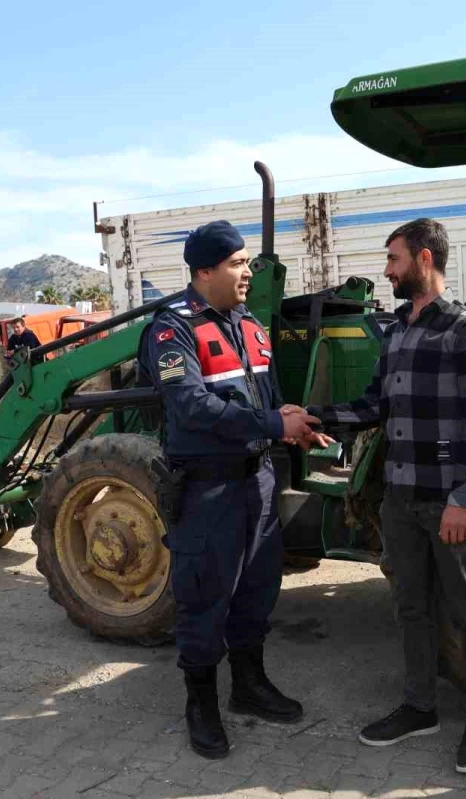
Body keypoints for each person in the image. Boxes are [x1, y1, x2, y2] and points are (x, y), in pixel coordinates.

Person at [307, 218, 466, 775]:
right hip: (401, 498)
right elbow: (374, 406)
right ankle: (420, 707)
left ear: (422, 259)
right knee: (411, 607)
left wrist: (465, 498)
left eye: (393, 259)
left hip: (449, 500)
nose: (387, 271)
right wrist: (311, 418)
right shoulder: (397, 330)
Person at [138, 220, 326, 760]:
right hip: (208, 490)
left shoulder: (250, 326)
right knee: (203, 600)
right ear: (204, 272)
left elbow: (266, 397)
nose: (248, 272)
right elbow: (192, 407)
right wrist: (272, 426)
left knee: (257, 591)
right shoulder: (172, 329)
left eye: (246, 262)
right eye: (238, 263)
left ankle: (249, 686)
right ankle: (201, 706)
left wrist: (294, 423)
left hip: (258, 481)